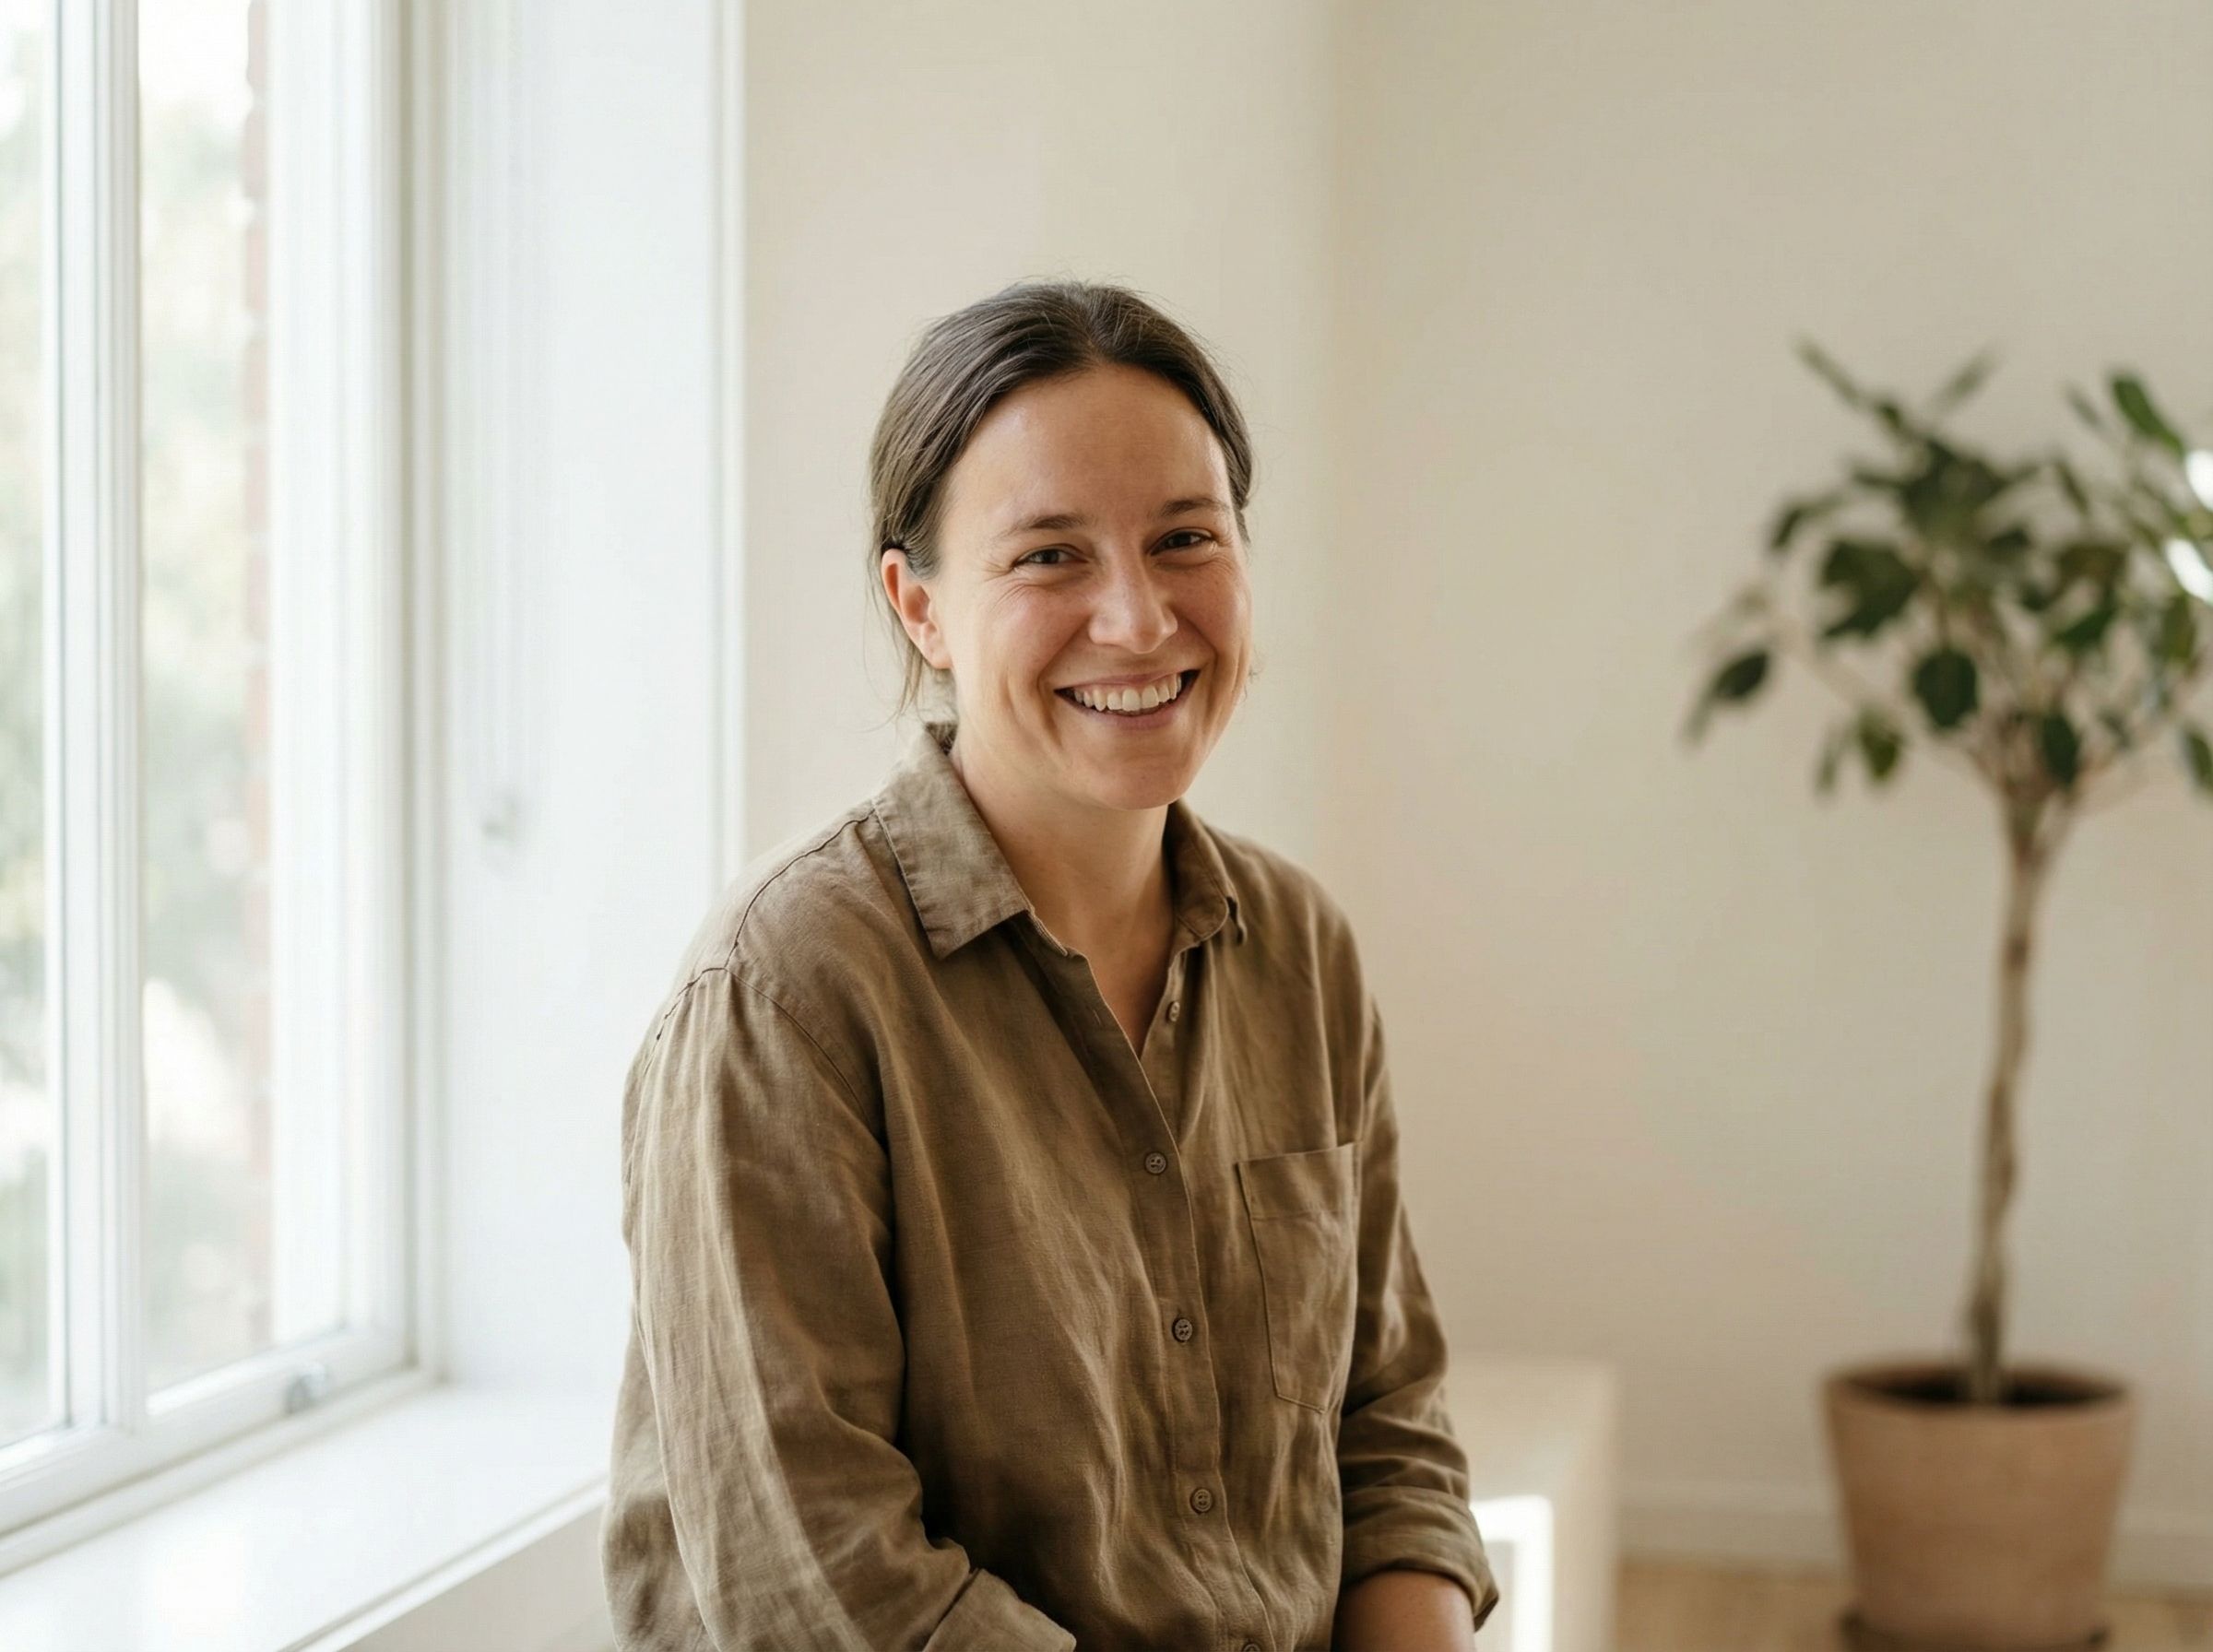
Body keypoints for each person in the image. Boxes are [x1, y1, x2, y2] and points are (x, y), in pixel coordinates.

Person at [600, 278, 1499, 1650]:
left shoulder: (1301, 951)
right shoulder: (785, 995)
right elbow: (823, 1588)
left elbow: (1389, 1436)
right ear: (920, 608)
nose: (1138, 621)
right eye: (1049, 557)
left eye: (1185, 538)